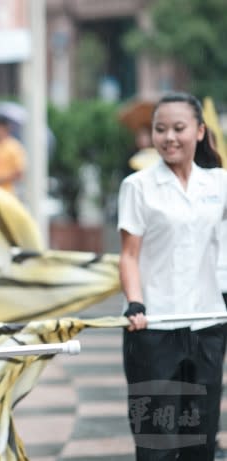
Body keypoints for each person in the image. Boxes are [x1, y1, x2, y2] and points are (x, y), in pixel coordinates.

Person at [118, 92, 227, 460]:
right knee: (156, 443)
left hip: (207, 324)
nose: (169, 138)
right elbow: (129, 255)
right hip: (153, 328)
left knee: (201, 440)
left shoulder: (219, 185)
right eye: (160, 129)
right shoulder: (138, 186)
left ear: (199, 131)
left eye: (178, 128)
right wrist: (135, 302)